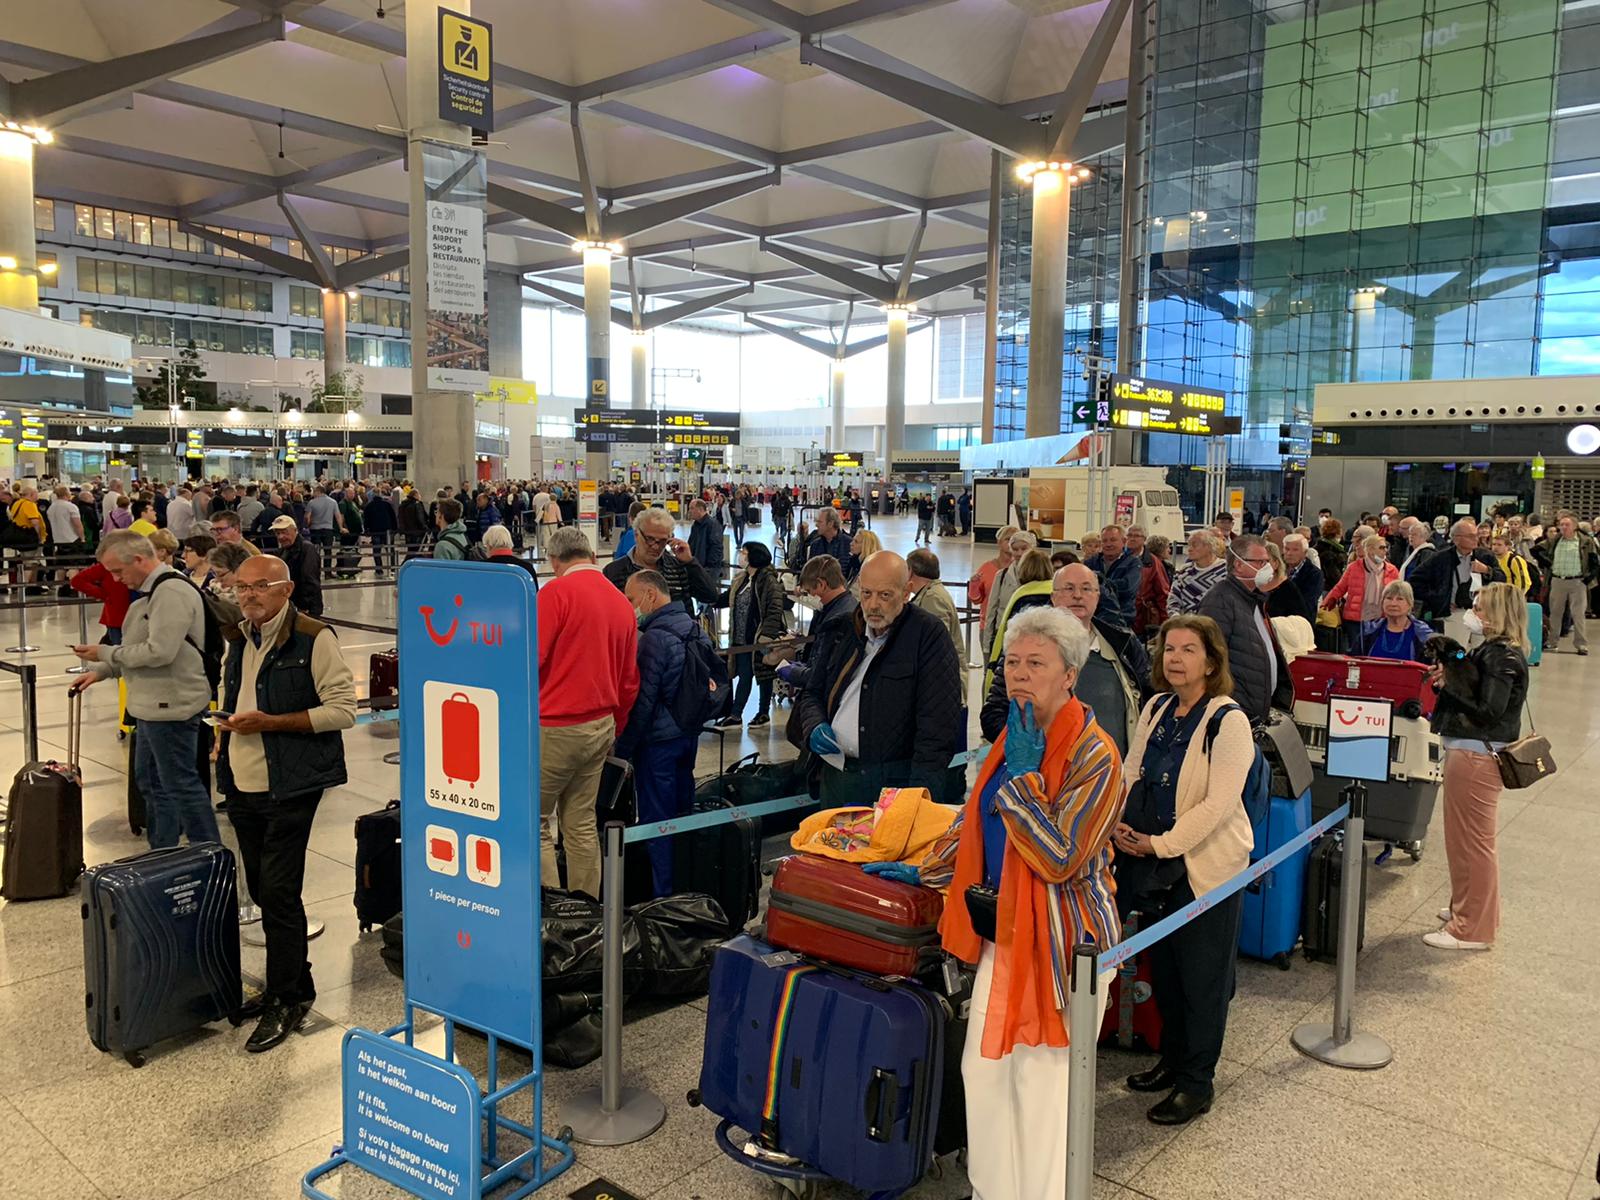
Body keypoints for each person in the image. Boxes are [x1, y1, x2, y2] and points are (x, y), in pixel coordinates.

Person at [884, 606, 1123, 1198]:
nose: (1019, 674)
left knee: (1043, 1093)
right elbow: (975, 826)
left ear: (1070, 674)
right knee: (985, 1074)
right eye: (1012, 663)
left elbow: (1061, 857)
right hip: (1005, 935)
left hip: (1067, 948)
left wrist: (1023, 781)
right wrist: (920, 868)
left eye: (1035, 663)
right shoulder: (1013, 740)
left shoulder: (1096, 755)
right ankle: (992, 1190)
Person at [1112, 614, 1253, 1124]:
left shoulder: (1227, 720)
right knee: (1167, 972)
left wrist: (1162, 844)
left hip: (1202, 869)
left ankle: (1197, 1082)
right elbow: (1132, 769)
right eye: (1169, 649)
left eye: (1188, 650)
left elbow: (1218, 804)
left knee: (1202, 980)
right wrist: (1120, 825)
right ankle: (1171, 1060)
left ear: (1211, 661)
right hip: (1151, 862)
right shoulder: (1156, 707)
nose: (1174, 658)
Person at [214, 554, 356, 1051]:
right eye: (241, 588)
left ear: (286, 588)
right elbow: (231, 690)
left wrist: (269, 723)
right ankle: (294, 982)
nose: (248, 595)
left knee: (277, 891)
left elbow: (342, 710)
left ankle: (286, 998)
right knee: (259, 885)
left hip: (291, 784)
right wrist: (223, 733)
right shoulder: (238, 636)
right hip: (242, 780)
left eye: (259, 587)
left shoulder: (315, 639)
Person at [69, 531, 218, 849]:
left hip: (172, 705)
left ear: (139, 559)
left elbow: (160, 651)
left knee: (179, 783)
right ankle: (162, 851)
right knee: (152, 783)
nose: (115, 579)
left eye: (118, 571)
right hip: (150, 704)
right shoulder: (149, 594)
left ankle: (208, 852)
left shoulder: (171, 591)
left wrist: (105, 654)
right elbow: (137, 646)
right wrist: (102, 671)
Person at [796, 551, 960, 804]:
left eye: (885, 595)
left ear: (906, 592)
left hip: (893, 788)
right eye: (867, 593)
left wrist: (919, 801)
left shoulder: (928, 637)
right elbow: (812, 692)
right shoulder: (841, 630)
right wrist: (814, 724)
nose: (873, 605)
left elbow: (937, 731)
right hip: (836, 779)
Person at [1425, 583, 1530, 951]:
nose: (1474, 613)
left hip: (1477, 756)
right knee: (1464, 841)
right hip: (1472, 751)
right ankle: (1469, 908)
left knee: (1472, 843)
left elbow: (1488, 710)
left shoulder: (1502, 658)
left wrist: (1448, 687)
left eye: (1482, 609)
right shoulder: (1491, 650)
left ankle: (1470, 928)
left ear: (1499, 615)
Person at [537, 527, 639, 898]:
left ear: (555, 561)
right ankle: (588, 911)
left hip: (555, 726)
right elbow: (630, 680)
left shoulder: (555, 594)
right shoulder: (621, 603)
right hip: (601, 725)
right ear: (592, 556)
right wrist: (616, 728)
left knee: (536, 822)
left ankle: (552, 914)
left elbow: (531, 660)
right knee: (580, 823)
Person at [618, 569, 705, 895]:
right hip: (689, 735)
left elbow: (643, 702)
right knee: (684, 818)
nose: (630, 606)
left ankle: (663, 899)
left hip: (658, 746)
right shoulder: (693, 627)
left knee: (658, 823)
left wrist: (623, 749)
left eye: (631, 599)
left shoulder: (654, 638)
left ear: (650, 595)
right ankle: (686, 891)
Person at [1197, 535, 1293, 723]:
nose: (1267, 568)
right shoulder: (1220, 600)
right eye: (1260, 562)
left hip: (1250, 710)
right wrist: (1231, 703)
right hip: (1233, 710)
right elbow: (1210, 656)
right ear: (1239, 565)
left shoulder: (1253, 599)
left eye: (1267, 561)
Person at [718, 541, 786, 729]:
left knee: (763, 675)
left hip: (758, 639)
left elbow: (774, 609)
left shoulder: (768, 580)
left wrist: (766, 636)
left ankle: (758, 712)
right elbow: (726, 599)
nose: (741, 555)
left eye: (744, 552)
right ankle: (737, 714)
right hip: (741, 638)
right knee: (745, 674)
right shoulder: (741, 579)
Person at [604, 507, 719, 614]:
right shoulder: (614, 572)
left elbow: (710, 596)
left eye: (662, 541)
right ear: (636, 535)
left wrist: (690, 562)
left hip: (679, 634)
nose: (655, 547)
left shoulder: (679, 567)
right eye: (650, 539)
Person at [906, 548, 967, 740]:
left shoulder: (933, 599)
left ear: (911, 571)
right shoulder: (929, 594)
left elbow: (938, 647)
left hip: (943, 693)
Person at [775, 555, 858, 693]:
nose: (810, 595)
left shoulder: (837, 620)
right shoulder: (845, 606)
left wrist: (790, 671)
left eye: (809, 591)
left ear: (821, 584)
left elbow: (818, 676)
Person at [1411, 518, 1506, 639]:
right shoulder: (1440, 558)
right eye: (1470, 536)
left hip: (1484, 615)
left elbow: (1502, 579)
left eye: (1476, 535)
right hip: (1454, 614)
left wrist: (1487, 570)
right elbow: (1415, 580)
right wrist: (1437, 597)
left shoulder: (1485, 556)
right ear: (1456, 539)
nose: (1475, 539)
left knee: (1481, 653)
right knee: (1458, 654)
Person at [1321, 533, 1400, 654]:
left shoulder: (1392, 570)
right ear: (1370, 549)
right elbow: (1341, 587)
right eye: (1381, 547)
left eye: (1385, 547)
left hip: (1380, 618)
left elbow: (1398, 592)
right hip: (1356, 618)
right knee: (1356, 651)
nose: (1385, 551)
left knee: (1375, 651)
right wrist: (1329, 600)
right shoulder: (1353, 567)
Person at [1532, 512, 1597, 655]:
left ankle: (1581, 644)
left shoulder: (1585, 541)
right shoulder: (1555, 540)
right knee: (1555, 613)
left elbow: (1594, 561)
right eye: (1561, 524)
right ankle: (1552, 641)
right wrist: (1548, 563)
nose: (1563, 527)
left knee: (1578, 614)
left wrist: (1587, 578)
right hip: (1558, 580)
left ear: (1574, 526)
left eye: (1567, 524)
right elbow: (1535, 550)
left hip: (1577, 581)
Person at [982, 530, 1039, 656]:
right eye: (1015, 549)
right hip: (1003, 637)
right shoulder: (1001, 576)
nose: (1019, 553)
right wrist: (987, 647)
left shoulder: (1041, 576)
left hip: (1031, 639)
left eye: (1024, 548)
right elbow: (991, 612)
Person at [1357, 580, 1433, 661]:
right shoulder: (1368, 631)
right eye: (1389, 598)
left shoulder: (1423, 634)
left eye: (1400, 599)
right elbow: (1353, 659)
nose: (1393, 604)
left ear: (1410, 604)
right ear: (1382, 602)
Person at [1085, 524, 1143, 628]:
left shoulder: (1133, 563)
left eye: (1113, 540)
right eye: (1104, 541)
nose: (1108, 544)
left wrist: (1099, 582)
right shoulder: (1090, 563)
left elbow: (1127, 588)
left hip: (1122, 619)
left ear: (1124, 541)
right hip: (1093, 618)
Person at [968, 524, 1018, 641]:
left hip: (1015, 627)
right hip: (989, 627)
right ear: (999, 542)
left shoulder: (1022, 569)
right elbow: (976, 600)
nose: (1011, 543)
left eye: (1014, 540)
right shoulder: (986, 568)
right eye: (1007, 539)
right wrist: (974, 585)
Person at [268, 514, 324, 618]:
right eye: (278, 533)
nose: (281, 537)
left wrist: (304, 607)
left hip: (306, 609)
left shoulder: (307, 549)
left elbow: (309, 580)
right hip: (290, 606)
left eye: (285, 532)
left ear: (295, 530)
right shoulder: (282, 551)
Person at [1169, 529, 1228, 617]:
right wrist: (1175, 617)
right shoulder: (1183, 571)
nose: (1189, 549)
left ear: (1209, 546)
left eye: (1194, 545)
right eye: (1189, 545)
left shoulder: (1226, 571)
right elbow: (1173, 599)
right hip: (1187, 626)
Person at [1268, 533, 1323, 626]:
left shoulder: (1314, 574)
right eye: (1287, 549)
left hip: (1299, 625)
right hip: (1274, 621)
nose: (1289, 553)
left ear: (1305, 552)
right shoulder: (1276, 568)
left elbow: (1307, 603)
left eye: (1295, 550)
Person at [1134, 534, 1172, 635]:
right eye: (1168, 547)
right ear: (1161, 549)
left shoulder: (1151, 562)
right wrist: (1166, 620)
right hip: (1147, 617)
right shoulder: (1155, 564)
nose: (1170, 550)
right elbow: (1163, 593)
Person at [802, 505, 855, 577]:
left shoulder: (849, 544)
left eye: (820, 522)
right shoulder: (815, 544)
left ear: (830, 524)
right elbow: (810, 573)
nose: (816, 525)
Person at [364, 485, 399, 576]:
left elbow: (366, 519)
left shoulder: (369, 506)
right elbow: (393, 517)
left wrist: (366, 529)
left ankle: (379, 569)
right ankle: (392, 568)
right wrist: (395, 528)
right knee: (390, 549)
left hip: (375, 531)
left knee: (377, 551)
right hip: (387, 530)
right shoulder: (387, 504)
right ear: (380, 494)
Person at [306, 485, 341, 574]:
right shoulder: (333, 502)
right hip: (328, 529)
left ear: (319, 492)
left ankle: (316, 571)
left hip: (315, 530)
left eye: (314, 492)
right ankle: (327, 572)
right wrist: (341, 527)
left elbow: (307, 517)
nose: (313, 494)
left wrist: (308, 525)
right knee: (328, 551)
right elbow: (337, 516)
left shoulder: (312, 502)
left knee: (316, 552)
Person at [686, 498, 725, 577]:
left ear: (700, 509)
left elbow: (716, 547)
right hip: (697, 566)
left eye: (692, 508)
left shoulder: (712, 525)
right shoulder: (695, 525)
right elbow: (691, 544)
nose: (689, 511)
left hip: (709, 569)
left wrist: (709, 566)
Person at [1398, 517, 1436, 582]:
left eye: (1414, 534)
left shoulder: (1428, 553)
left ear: (1424, 536)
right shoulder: (1412, 551)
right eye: (1410, 534)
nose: (1411, 537)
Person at [1314, 518, 1347, 592]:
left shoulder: (1318, 547)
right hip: (1329, 590)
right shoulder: (1331, 552)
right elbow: (1334, 576)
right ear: (1338, 532)